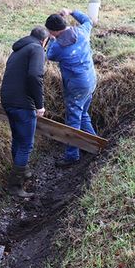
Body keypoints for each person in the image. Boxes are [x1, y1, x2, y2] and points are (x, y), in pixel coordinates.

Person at [0, 26, 50, 198]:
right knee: (26, 145)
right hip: (23, 104)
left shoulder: (18, 50)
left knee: (18, 139)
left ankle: (22, 170)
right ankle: (16, 185)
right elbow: (35, 76)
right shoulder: (37, 49)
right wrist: (39, 104)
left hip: (8, 100)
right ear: (44, 41)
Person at [45, 9, 97, 167]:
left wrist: (52, 38)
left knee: (73, 120)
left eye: (49, 31)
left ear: (53, 31)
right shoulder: (82, 31)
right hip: (91, 80)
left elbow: (49, 55)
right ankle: (94, 143)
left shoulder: (58, 47)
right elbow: (88, 20)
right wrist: (71, 11)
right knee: (82, 114)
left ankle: (71, 156)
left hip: (76, 86)